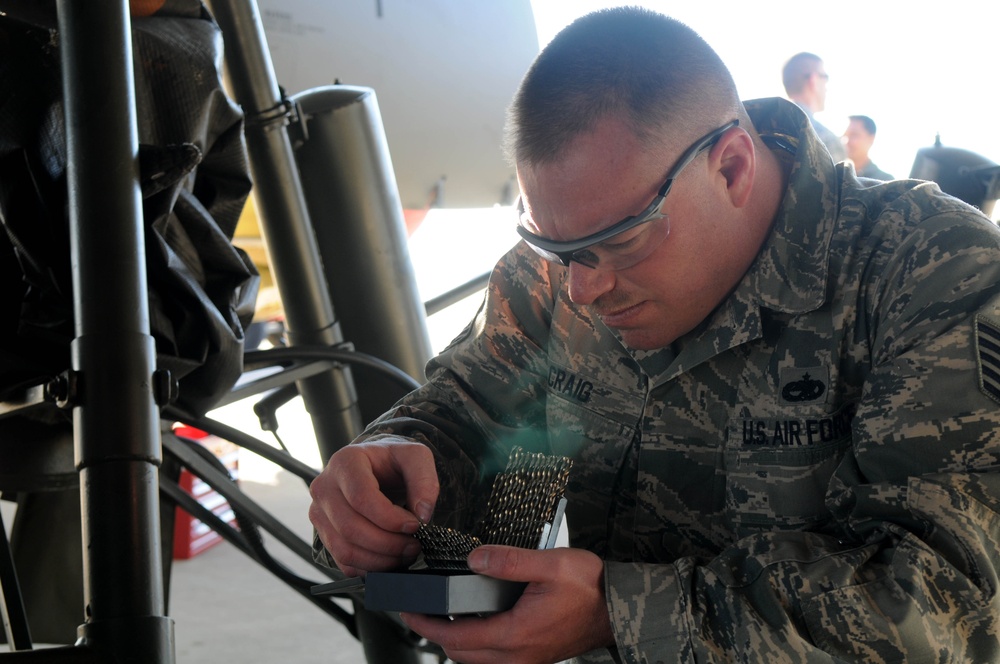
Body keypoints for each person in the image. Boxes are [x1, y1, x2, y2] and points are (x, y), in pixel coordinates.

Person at [309, 7, 1000, 663]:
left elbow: (949, 596)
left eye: (620, 244)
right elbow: (472, 412)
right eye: (558, 250)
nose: (582, 289)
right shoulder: (560, 263)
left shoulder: (931, 272)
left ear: (730, 167)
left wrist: (622, 615)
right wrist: (393, 463)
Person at [781, 51, 847, 161]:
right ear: (814, 79)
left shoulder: (756, 125)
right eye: (825, 77)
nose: (826, 88)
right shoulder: (827, 141)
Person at [843, 114, 894, 180]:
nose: (847, 141)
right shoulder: (834, 174)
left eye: (854, 135)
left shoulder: (885, 182)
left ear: (871, 139)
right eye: (845, 136)